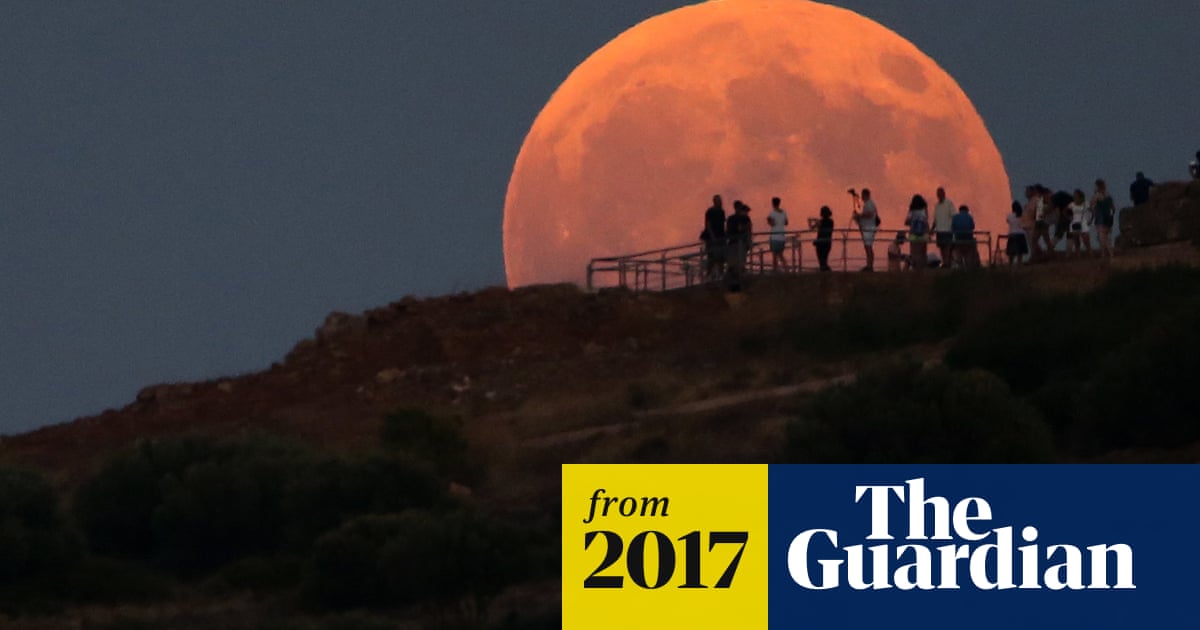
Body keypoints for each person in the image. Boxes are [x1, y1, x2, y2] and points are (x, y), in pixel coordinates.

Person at [725, 200, 753, 289]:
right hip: (736, 242)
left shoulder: (734, 218)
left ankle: (737, 280)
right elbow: (748, 230)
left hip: (737, 242)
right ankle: (736, 280)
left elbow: (748, 230)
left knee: (737, 263)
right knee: (736, 263)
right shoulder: (739, 218)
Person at [853, 188, 879, 271]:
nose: (862, 197)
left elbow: (869, 214)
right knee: (867, 247)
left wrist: (859, 216)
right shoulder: (867, 204)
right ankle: (869, 265)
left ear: (866, 195)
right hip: (867, 228)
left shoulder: (869, 204)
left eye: (862, 195)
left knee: (868, 247)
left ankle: (870, 266)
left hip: (869, 228)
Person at [702, 194, 727, 280]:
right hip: (712, 238)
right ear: (715, 202)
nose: (720, 202)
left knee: (721, 257)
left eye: (720, 200)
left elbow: (723, 224)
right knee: (712, 257)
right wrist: (712, 237)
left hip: (721, 236)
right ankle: (709, 275)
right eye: (718, 200)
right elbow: (708, 224)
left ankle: (720, 274)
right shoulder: (710, 211)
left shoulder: (722, 211)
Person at [1091, 179, 1116, 259]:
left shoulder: (1098, 195)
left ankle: (1106, 253)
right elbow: (1112, 208)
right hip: (1106, 217)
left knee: (1102, 236)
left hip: (1102, 217)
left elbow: (1092, 207)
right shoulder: (1107, 195)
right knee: (1104, 236)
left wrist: (1094, 215)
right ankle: (1107, 253)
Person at [905, 194, 930, 270]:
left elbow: (907, 222)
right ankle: (922, 269)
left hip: (913, 234)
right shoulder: (924, 209)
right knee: (923, 253)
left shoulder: (911, 211)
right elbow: (926, 221)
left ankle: (914, 268)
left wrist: (912, 222)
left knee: (914, 253)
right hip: (923, 234)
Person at [932, 186, 956, 263]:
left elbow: (954, 216)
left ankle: (947, 263)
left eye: (940, 194)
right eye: (938, 194)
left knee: (947, 248)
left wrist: (953, 228)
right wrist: (932, 230)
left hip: (947, 231)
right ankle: (945, 263)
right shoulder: (936, 206)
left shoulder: (949, 203)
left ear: (944, 194)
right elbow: (935, 220)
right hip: (939, 231)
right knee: (941, 248)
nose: (939, 195)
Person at [1066, 189, 1092, 257]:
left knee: (1086, 239)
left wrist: (1091, 220)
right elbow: (1065, 211)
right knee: (1076, 239)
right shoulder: (1072, 204)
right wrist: (1069, 218)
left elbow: (1092, 211)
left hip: (1083, 222)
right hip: (1074, 222)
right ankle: (1078, 254)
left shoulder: (1085, 203)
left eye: (1076, 195)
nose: (1074, 196)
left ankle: (1089, 252)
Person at [766, 197, 789, 272]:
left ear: (772, 203)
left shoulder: (772, 213)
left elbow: (772, 224)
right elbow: (786, 223)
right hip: (782, 236)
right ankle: (786, 269)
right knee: (780, 255)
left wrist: (768, 220)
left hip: (775, 237)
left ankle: (775, 270)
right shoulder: (784, 212)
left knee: (775, 255)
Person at [1006, 201, 1029, 266]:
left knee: (1011, 252)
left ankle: (1010, 264)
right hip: (1021, 235)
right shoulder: (1023, 215)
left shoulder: (1009, 215)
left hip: (1012, 234)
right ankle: (1019, 264)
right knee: (1020, 252)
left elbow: (1007, 221)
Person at [814, 206, 834, 272]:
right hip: (828, 242)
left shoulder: (820, 222)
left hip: (820, 242)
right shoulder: (831, 222)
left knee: (821, 258)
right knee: (824, 258)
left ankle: (824, 270)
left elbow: (812, 227)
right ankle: (825, 269)